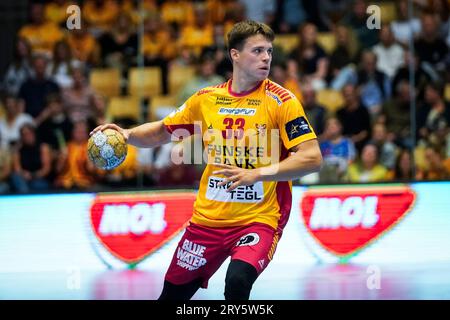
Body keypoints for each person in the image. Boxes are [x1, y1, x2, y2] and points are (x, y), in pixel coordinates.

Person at [91, 20, 322, 300]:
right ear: (235, 55)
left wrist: (257, 174)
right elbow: (162, 131)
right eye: (257, 51)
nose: (266, 58)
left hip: (258, 220)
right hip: (207, 222)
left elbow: (311, 158)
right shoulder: (206, 100)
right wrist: (126, 134)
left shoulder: (282, 101)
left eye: (269, 52)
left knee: (237, 284)